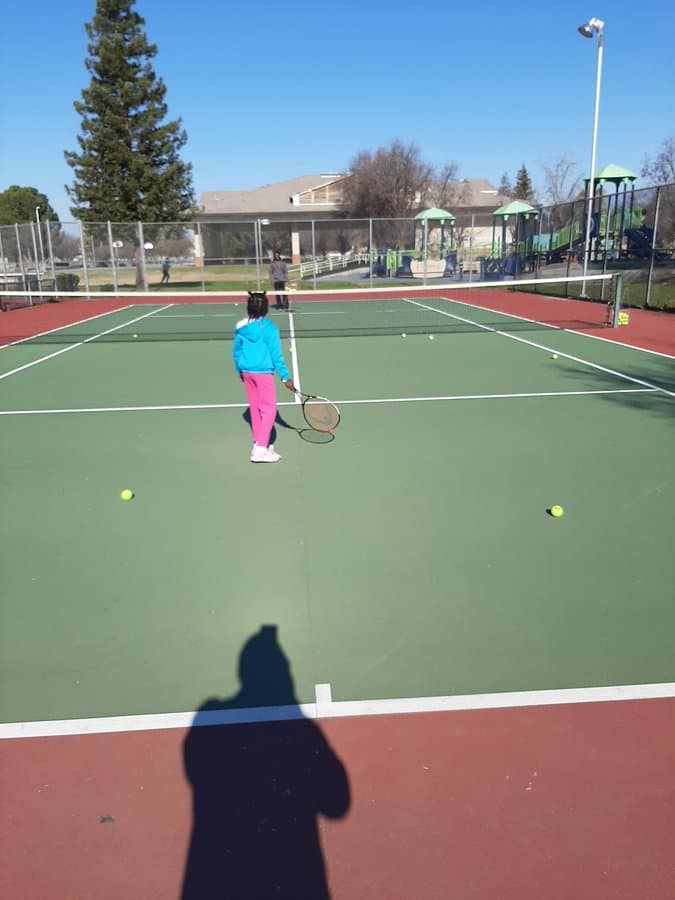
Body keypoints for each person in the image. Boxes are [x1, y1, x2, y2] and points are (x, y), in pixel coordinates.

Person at [233, 291, 295, 463]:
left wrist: (239, 369)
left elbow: (236, 351)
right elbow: (277, 356)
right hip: (262, 373)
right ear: (266, 308)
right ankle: (260, 450)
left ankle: (259, 443)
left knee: (255, 408)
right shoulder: (270, 328)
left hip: (247, 372)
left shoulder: (240, 327)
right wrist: (285, 377)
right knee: (269, 410)